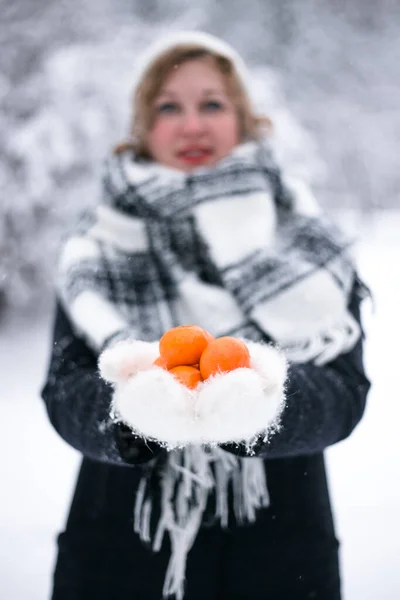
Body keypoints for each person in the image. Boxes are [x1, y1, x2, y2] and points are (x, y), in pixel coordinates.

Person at [41, 31, 371, 600]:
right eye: (169, 106)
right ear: (143, 127)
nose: (192, 125)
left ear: (244, 120)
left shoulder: (309, 245)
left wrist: (266, 404)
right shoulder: (95, 250)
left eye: (212, 104)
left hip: (282, 553)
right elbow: (65, 390)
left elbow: (345, 390)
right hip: (120, 551)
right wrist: (132, 413)